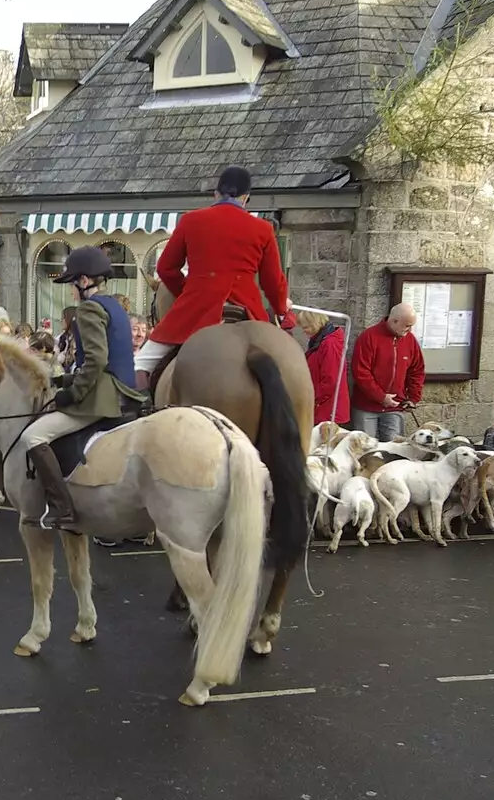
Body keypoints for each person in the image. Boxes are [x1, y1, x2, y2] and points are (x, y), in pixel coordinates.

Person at [133, 165, 290, 392]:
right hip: (248, 310)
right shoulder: (263, 229)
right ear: (246, 198)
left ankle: (136, 410)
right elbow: (273, 282)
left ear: (216, 193)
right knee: (285, 367)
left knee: (141, 362)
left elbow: (165, 268)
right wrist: (281, 308)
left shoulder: (191, 220)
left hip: (197, 307)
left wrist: (187, 291)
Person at [22, 245, 146, 529]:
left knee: (33, 437)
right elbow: (108, 359)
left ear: (85, 281)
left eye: (72, 284)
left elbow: (96, 361)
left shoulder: (89, 309)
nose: (71, 292)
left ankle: (61, 507)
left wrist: (71, 394)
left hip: (102, 398)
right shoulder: (114, 305)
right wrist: (61, 380)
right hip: (123, 390)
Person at [349, 302, 425, 441]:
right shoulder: (369, 337)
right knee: (364, 449)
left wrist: (413, 398)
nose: (409, 330)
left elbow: (417, 371)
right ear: (394, 320)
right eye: (407, 325)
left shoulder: (410, 340)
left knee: (394, 450)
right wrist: (381, 397)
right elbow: (361, 372)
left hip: (395, 407)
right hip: (367, 407)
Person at [297, 309, 350, 427]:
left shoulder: (329, 344)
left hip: (328, 408)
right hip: (323, 405)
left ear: (315, 323)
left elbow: (331, 380)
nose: (304, 331)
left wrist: (313, 398)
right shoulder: (319, 340)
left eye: (306, 327)